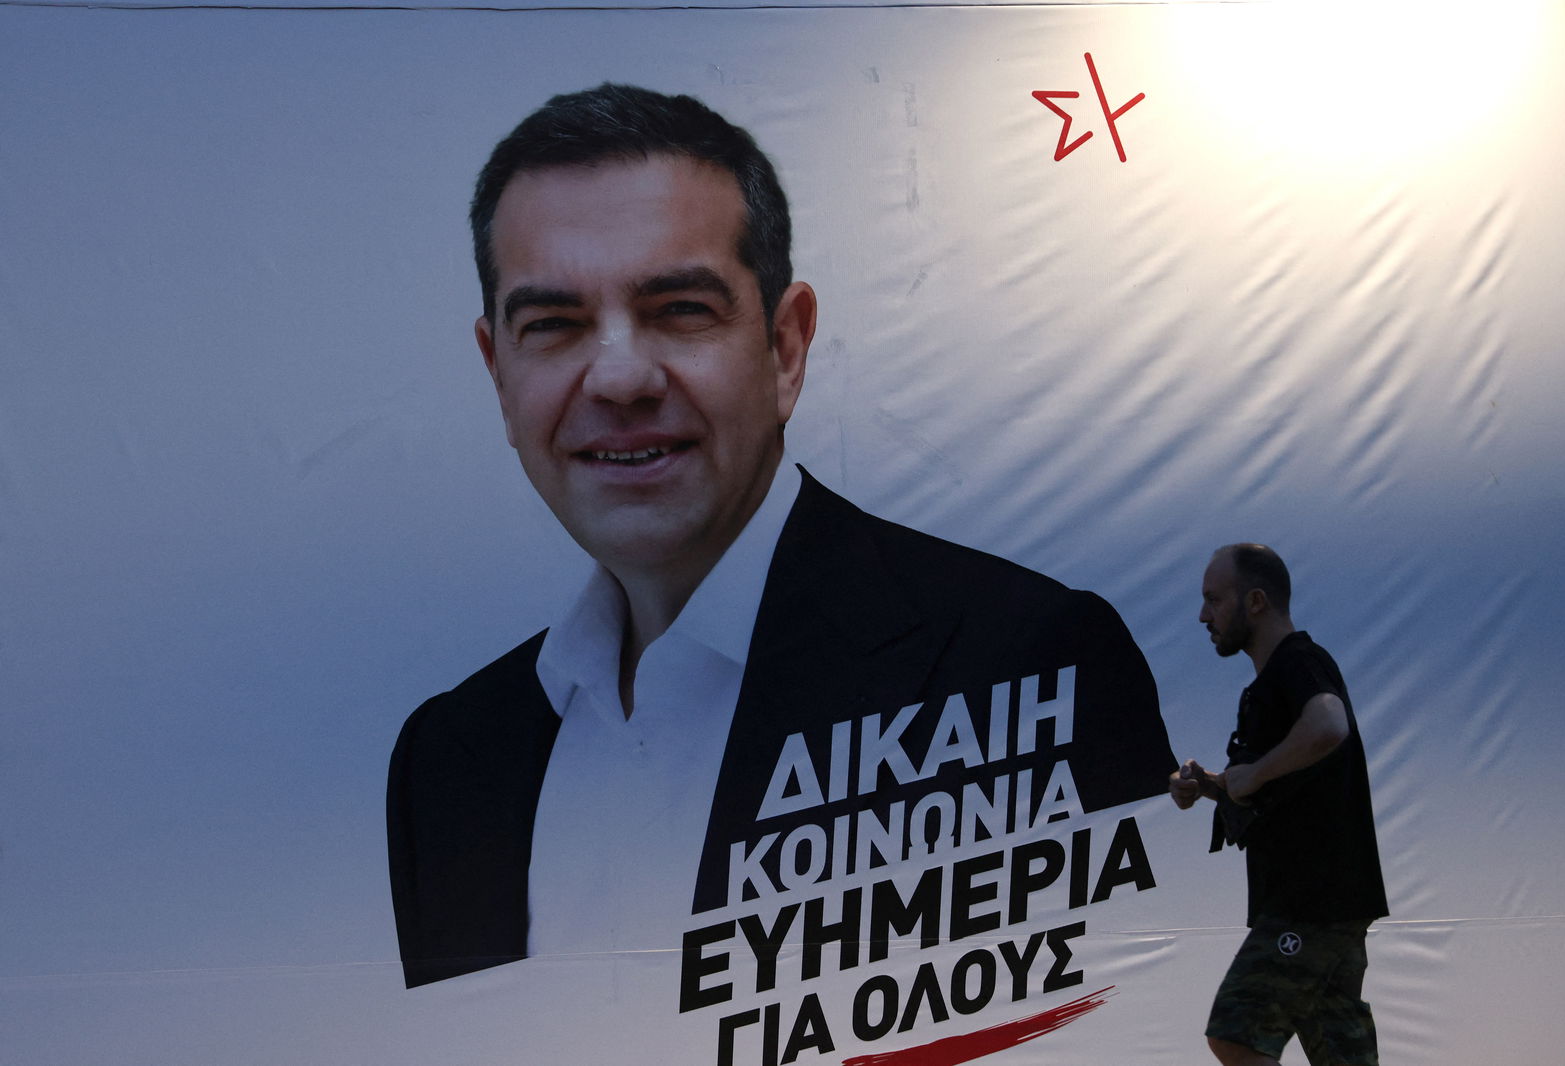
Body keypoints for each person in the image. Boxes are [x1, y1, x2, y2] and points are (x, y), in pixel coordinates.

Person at [386, 83, 1176, 988]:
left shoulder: (1025, 667)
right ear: (499, 372)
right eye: (554, 326)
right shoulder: (445, 763)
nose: (619, 378)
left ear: (786, 347)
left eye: (680, 310)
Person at [1170, 544, 1387, 1066]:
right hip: (1324, 903)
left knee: (1236, 1033)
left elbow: (1330, 725)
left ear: (1257, 601)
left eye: (1214, 600)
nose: (1204, 615)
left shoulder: (1300, 662)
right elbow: (1274, 790)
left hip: (1309, 904)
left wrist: (1252, 775)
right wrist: (1212, 786)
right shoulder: (1267, 687)